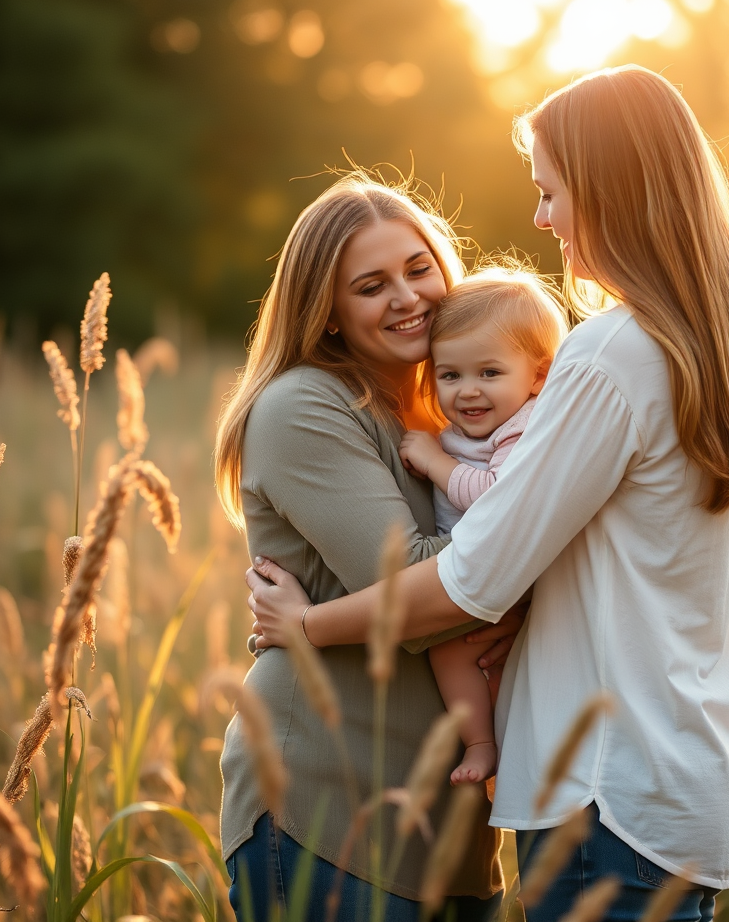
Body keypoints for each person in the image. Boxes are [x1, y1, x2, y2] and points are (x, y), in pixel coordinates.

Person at [247, 65, 729, 921]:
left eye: (551, 192)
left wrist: (306, 625)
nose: (540, 218)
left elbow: (476, 575)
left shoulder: (608, 356)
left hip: (605, 789)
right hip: (686, 776)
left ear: (606, 195)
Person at [214, 172, 510, 922]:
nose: (408, 297)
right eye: (372, 286)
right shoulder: (302, 405)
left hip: (450, 826)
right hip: (327, 807)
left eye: (419, 269)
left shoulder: (455, 406)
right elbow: (421, 580)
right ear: (329, 312)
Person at [398, 267, 568, 785]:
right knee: (471, 655)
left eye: (489, 373)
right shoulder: (475, 424)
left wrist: (435, 463)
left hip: (500, 572)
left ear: (537, 376)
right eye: (450, 375)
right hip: (476, 568)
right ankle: (492, 744)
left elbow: (497, 497)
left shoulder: (523, 427)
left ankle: (482, 743)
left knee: (456, 650)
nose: (468, 392)